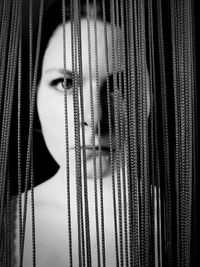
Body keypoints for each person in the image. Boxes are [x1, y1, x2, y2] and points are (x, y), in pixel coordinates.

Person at [12, 0, 150, 266]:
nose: (95, 118)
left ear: (151, 97)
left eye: (121, 83)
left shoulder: (180, 220)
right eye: (65, 83)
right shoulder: (10, 223)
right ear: (33, 97)